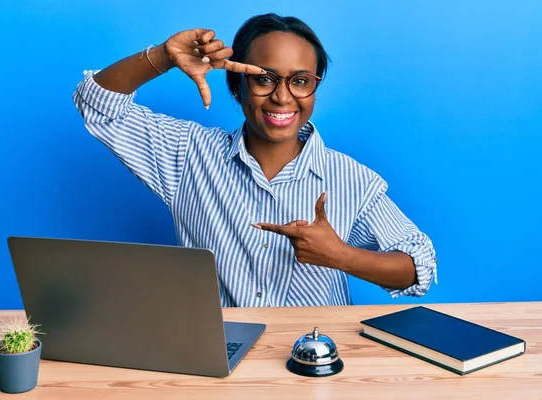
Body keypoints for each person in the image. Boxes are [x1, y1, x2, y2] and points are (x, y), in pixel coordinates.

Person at [73, 13, 437, 307]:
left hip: (313, 359)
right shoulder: (189, 155)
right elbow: (96, 103)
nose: (282, 96)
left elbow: (419, 266)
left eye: (300, 80)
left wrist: (340, 255)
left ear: (314, 88)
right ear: (237, 85)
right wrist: (164, 57)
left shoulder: (349, 178)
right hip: (218, 354)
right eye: (264, 79)